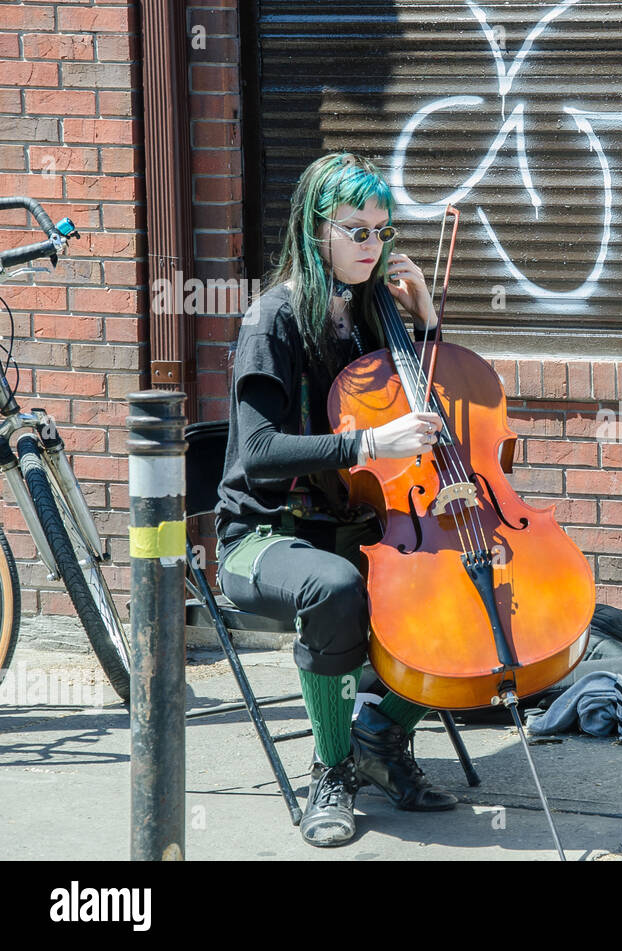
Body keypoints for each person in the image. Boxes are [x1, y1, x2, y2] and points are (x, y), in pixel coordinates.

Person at [214, 152, 459, 846]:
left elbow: (428, 411)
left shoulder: (372, 314)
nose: (372, 247)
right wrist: (366, 446)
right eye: (357, 231)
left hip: (356, 520)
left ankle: (379, 733)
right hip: (265, 533)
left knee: (459, 580)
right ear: (315, 228)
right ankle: (331, 767)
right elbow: (259, 452)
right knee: (335, 587)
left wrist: (426, 324)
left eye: (381, 232)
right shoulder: (275, 319)